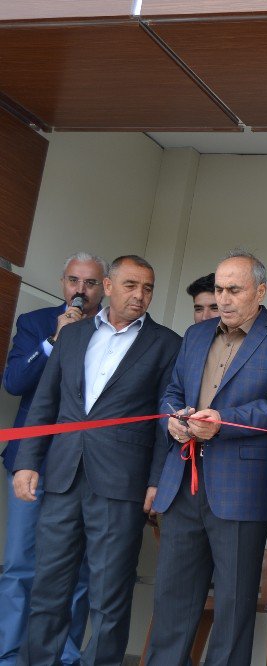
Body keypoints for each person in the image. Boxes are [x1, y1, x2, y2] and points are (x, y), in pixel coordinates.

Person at [11, 255, 181, 666]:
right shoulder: (72, 335)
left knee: (109, 595)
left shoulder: (167, 344)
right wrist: (27, 462)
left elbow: (165, 420)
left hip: (122, 485)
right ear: (107, 286)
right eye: (130, 285)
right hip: (64, 476)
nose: (139, 295)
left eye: (148, 288)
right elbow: (46, 403)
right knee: (48, 588)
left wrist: (156, 480)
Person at [147, 250, 267, 665]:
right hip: (182, 480)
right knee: (172, 601)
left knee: (234, 607)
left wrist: (223, 421)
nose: (223, 298)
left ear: (261, 290)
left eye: (234, 289)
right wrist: (174, 420)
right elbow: (171, 393)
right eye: (219, 289)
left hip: (240, 489)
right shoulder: (196, 334)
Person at [0, 251, 106, 666]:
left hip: (84, 467)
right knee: (19, 565)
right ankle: (9, 656)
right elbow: (15, 383)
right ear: (63, 283)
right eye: (74, 281)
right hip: (33, 463)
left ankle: (64, 657)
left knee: (76, 572)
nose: (80, 290)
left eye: (91, 283)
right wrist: (53, 341)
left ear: (105, 288)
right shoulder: (36, 324)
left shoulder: (111, 332)